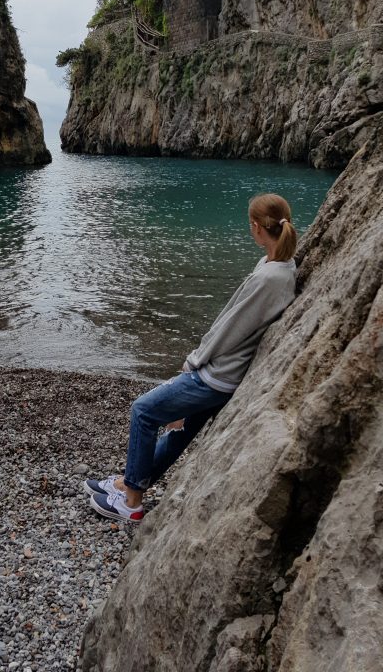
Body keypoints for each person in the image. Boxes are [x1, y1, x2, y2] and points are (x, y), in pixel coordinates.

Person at [85, 193, 298, 522]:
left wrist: (194, 362)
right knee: (177, 433)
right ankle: (127, 484)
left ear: (256, 227)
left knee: (143, 411)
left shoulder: (268, 277)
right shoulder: (277, 265)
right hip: (227, 376)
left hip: (216, 376)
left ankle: (131, 503)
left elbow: (230, 329)